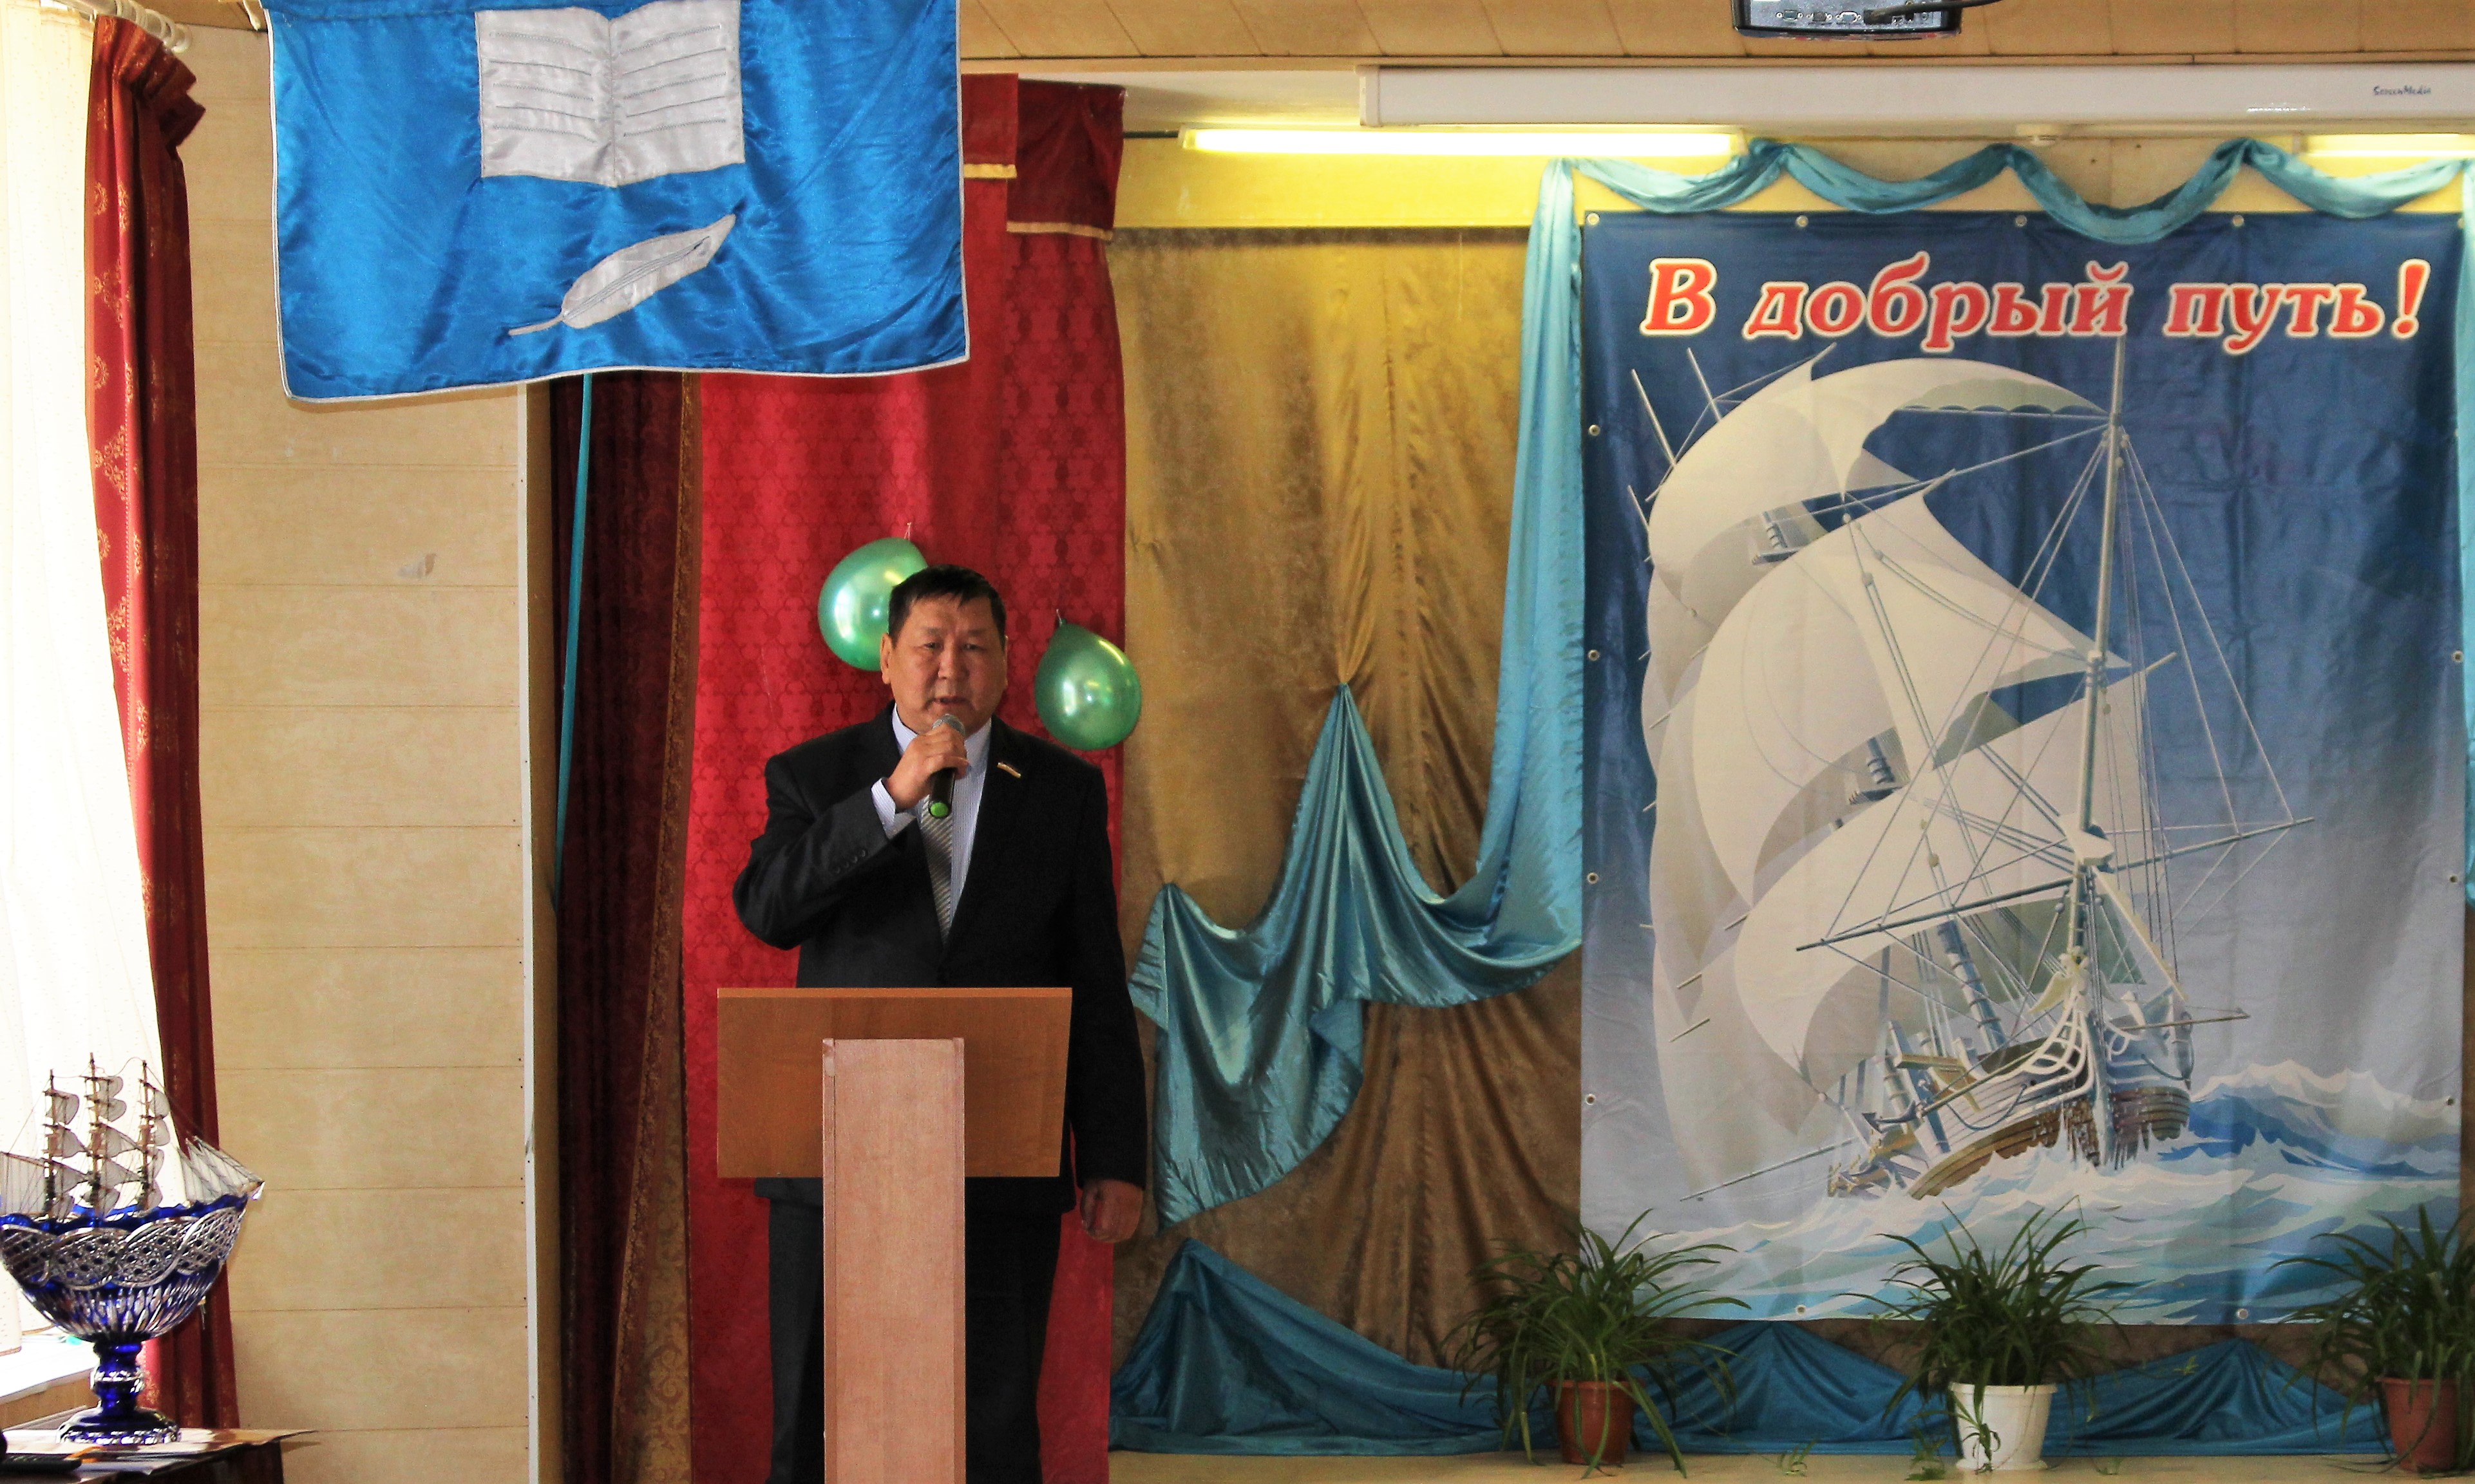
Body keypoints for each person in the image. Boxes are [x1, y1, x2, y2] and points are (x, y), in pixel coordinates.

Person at [732, 565, 1147, 1484]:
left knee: (991, 1421)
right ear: (887, 658)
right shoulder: (815, 774)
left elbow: (1094, 979)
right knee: (819, 1418)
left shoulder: (1063, 790)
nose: (950, 668)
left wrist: (1114, 1154)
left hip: (1000, 1149)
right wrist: (891, 796)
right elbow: (767, 910)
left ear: (1006, 661)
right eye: (929, 645)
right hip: (838, 1153)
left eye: (974, 647)